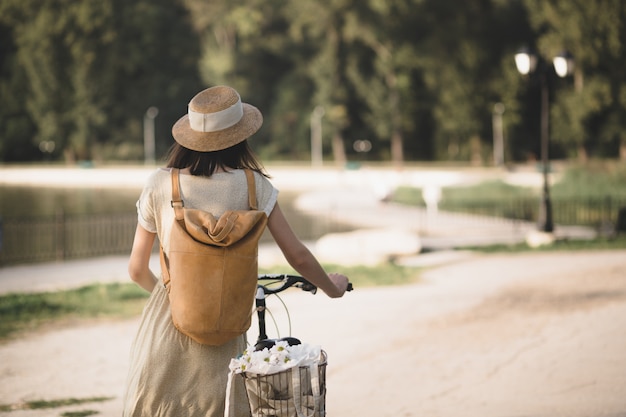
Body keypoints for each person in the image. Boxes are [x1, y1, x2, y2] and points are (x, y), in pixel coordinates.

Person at [122, 85, 350, 417]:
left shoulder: (160, 184)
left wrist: (179, 292)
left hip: (166, 332)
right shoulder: (255, 186)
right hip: (225, 329)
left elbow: (136, 269)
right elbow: (297, 255)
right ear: (240, 136)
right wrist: (333, 288)